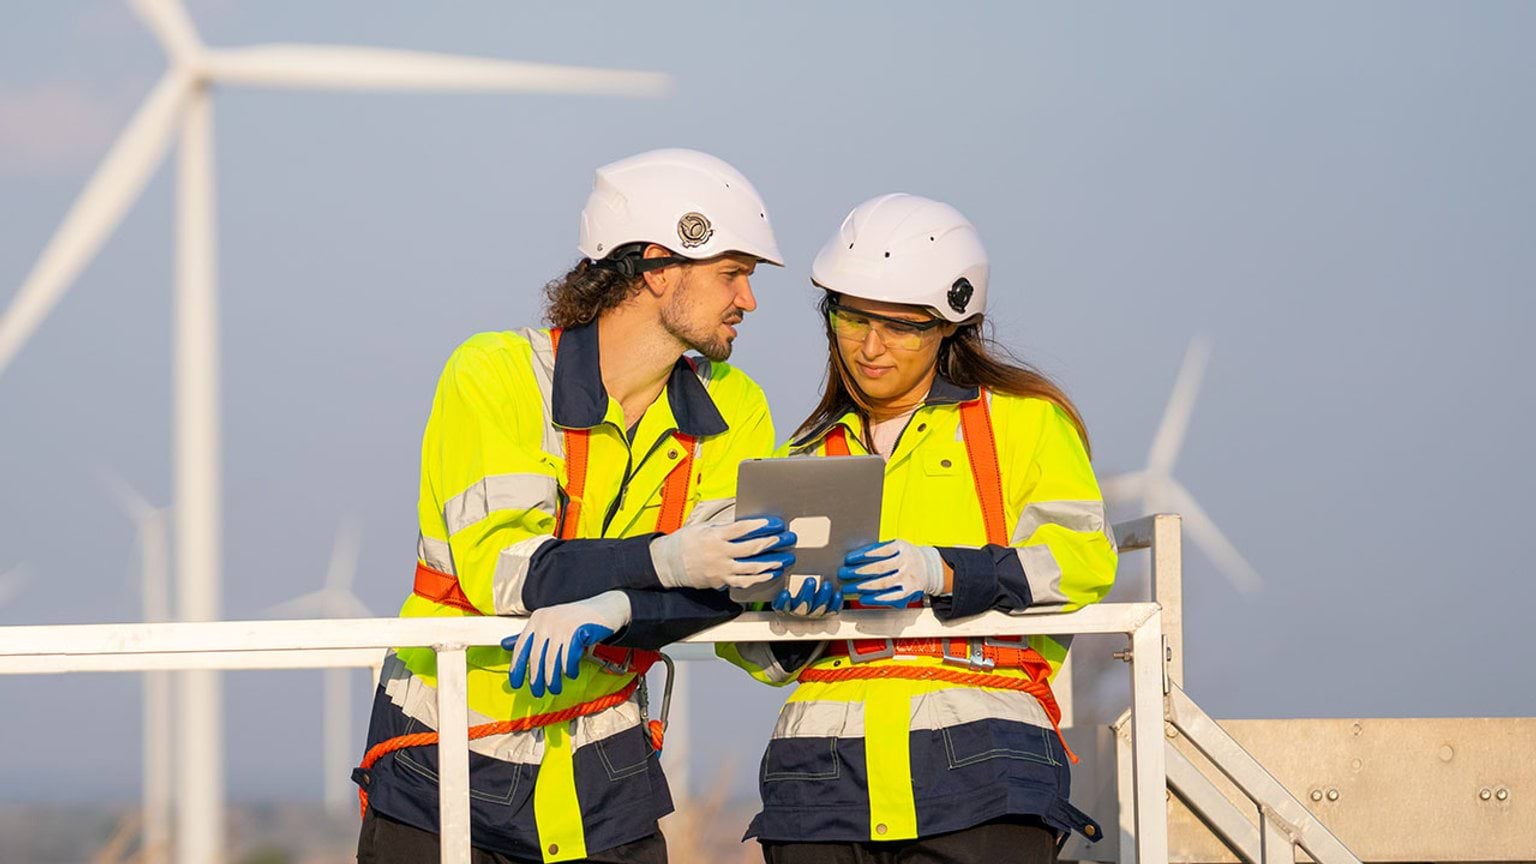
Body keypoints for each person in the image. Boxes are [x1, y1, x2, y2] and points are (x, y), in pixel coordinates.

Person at [355, 148, 796, 864]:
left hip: (606, 773)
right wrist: (668, 559)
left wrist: (619, 607)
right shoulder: (494, 373)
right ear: (657, 267)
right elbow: (506, 575)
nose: (748, 300)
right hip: (442, 759)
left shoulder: (734, 403)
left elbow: (733, 592)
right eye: (732, 274)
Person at [719, 193, 1117, 863]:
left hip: (982, 763)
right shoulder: (799, 457)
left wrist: (945, 572)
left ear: (951, 327)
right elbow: (750, 651)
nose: (869, 347)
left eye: (901, 326)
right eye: (851, 318)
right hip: (819, 779)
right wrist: (788, 620)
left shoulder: (1023, 424)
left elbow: (1083, 562)